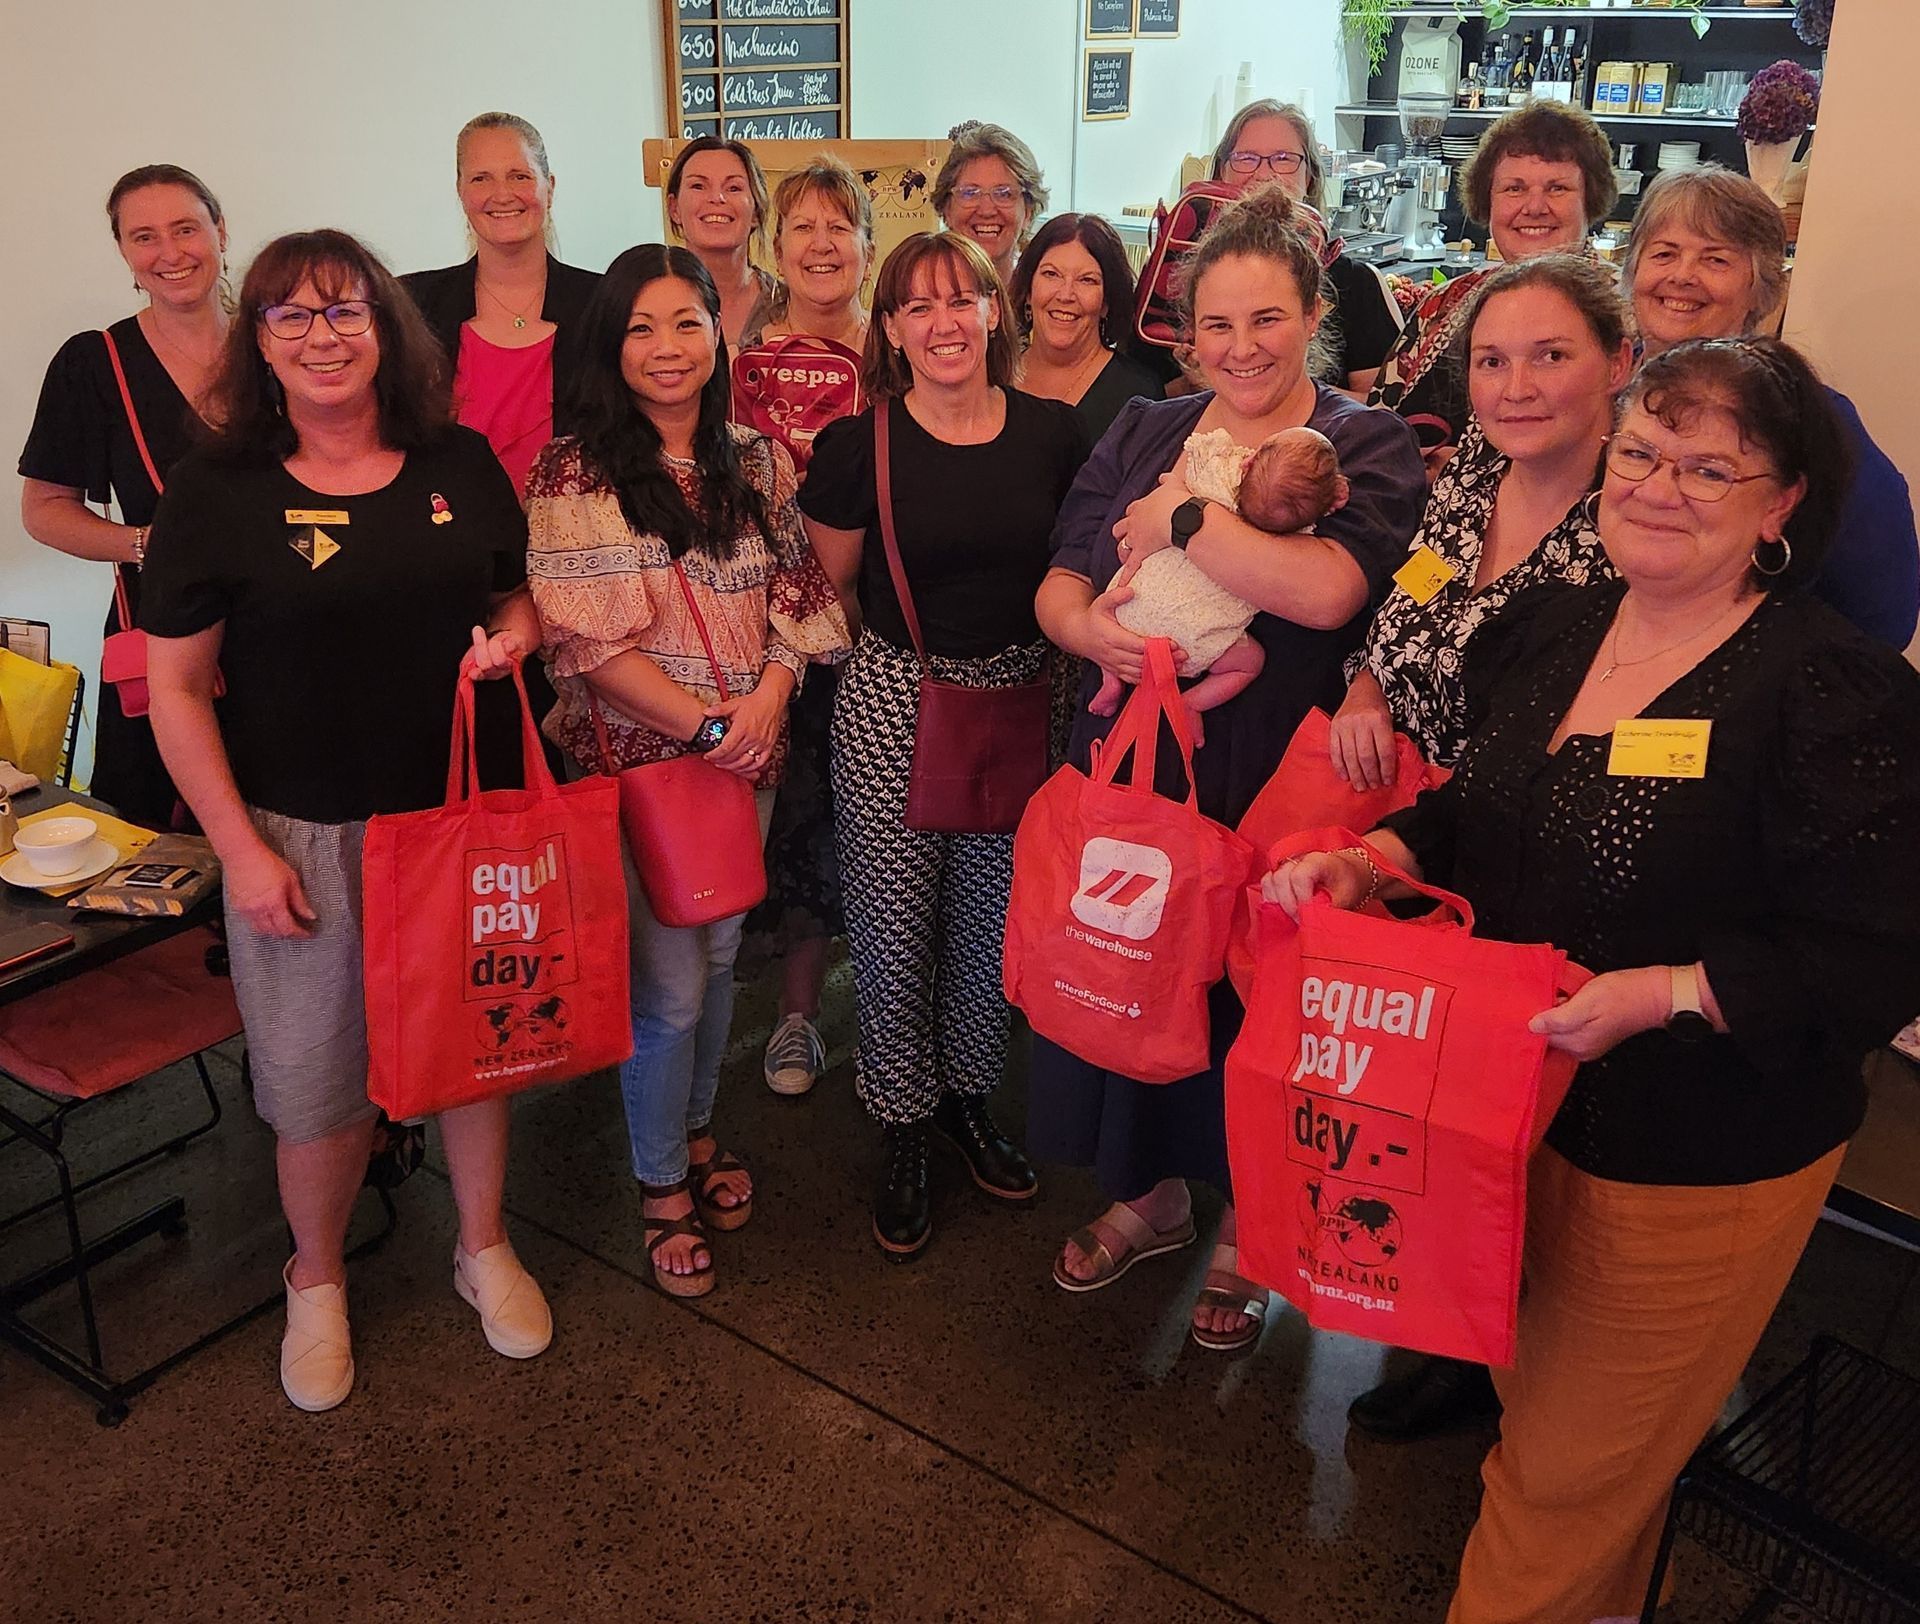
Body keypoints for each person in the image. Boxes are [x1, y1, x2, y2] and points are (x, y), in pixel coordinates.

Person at [1262, 337, 1920, 1622]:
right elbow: (1481, 807)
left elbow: (1869, 952)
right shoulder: (1553, 625)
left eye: (1709, 465)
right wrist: (1381, 857)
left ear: (1782, 504)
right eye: (1643, 452)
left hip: (1692, 1151)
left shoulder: (1827, 689)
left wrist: (1665, 993)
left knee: (1557, 1476)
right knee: (1576, 1432)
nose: (1659, 485)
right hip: (1511, 1113)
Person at [139, 230, 550, 1412]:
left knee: (479, 1050)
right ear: (258, 343)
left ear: (385, 329)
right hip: (301, 833)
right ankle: (313, 1277)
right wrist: (240, 851)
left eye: (345, 312)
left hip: (460, 819)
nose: (323, 336)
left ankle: (482, 1245)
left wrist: (514, 639)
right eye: (292, 317)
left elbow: (509, 592)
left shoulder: (459, 458)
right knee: (315, 1081)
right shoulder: (216, 490)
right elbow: (175, 690)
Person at [1031, 187, 1426, 1350]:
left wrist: (1188, 526)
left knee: (1258, 1003)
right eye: (1216, 324)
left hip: (1280, 781)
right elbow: (1062, 574)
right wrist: (1088, 631)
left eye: (1266, 319)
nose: (1240, 347)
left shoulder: (1361, 441)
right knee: (1134, 972)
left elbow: (1330, 591)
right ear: (1184, 332)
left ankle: (1253, 1226)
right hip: (1139, 761)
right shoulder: (1149, 428)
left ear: (1313, 314)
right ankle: (1147, 1194)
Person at [1326, 252, 1634, 1442]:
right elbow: (1410, 601)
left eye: (1551, 355)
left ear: (1617, 363)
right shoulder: (1470, 484)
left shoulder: (1641, 510)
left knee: (1540, 1127)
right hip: (1433, 829)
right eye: (1494, 359)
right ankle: (1457, 1339)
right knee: (1444, 1116)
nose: (1516, 385)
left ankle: (1539, 1392)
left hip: (1551, 858)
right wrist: (1363, 685)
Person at [525, 244, 849, 1298]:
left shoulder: (757, 461)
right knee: (667, 988)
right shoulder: (573, 471)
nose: (667, 349)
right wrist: (710, 730)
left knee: (718, 962)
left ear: (720, 332)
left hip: (746, 757)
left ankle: (697, 1129)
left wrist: (764, 700)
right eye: (640, 329)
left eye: (685, 323)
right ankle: (660, 1180)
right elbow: (585, 643)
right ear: (609, 347)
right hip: (647, 770)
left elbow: (803, 599)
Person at [800, 231, 1088, 1259]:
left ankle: (969, 1100)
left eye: (961, 298)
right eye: (917, 307)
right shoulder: (857, 446)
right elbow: (828, 587)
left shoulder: (1055, 436)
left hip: (1021, 699)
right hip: (895, 699)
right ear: (889, 330)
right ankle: (903, 1121)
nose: (944, 322)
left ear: (994, 310)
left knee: (988, 924)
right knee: (889, 930)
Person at [1624, 163, 1918, 648]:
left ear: (1760, 287)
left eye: (1715, 260)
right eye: (1664, 253)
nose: (1682, 276)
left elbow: (1884, 613)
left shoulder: (1808, 417)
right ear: (1633, 269)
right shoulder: (1603, 384)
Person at [19, 165, 232, 828]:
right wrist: (143, 544)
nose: (169, 252)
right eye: (144, 236)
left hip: (290, 630)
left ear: (221, 232)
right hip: (166, 638)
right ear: (124, 253)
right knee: (171, 839)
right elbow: (44, 510)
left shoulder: (279, 342)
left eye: (186, 228)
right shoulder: (94, 363)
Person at [735, 155, 875, 1099]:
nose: (822, 244)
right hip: (759, 629)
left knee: (849, 826)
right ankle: (776, 1012)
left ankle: (841, 1011)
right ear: (773, 246)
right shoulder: (740, 356)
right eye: (802, 228)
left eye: (840, 227)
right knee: (781, 823)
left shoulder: (900, 346)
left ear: (868, 245)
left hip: (870, 630)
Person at [1368, 100, 1618, 476]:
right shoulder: (1443, 303)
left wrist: (1468, 471)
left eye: (1557, 188)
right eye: (1514, 189)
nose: (1535, 206)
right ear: (1487, 200)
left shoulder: (1625, 313)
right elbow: (1380, 419)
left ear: (1591, 200)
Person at [1088, 426, 1352, 738]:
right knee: (1250, 662)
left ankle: (1110, 679)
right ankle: (1193, 702)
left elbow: (1188, 467)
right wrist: (1329, 498)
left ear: (1249, 462)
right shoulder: (1295, 536)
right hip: (1194, 645)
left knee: (1115, 612)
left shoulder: (1215, 481)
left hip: (1130, 611)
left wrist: (1172, 492)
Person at [401, 111, 602, 498]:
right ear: (460, 192)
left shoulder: (603, 303)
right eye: (481, 178)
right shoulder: (413, 305)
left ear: (550, 187)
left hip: (578, 543)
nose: (503, 194)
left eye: (520, 176)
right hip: (454, 541)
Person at [1210, 101, 1401, 394]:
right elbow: (1151, 393)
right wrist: (1195, 377)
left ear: (1309, 177)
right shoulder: (1183, 278)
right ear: (1221, 172)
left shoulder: (1357, 286)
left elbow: (1384, 408)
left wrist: (1284, 389)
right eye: (1246, 158)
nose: (1263, 174)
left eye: (1283, 159)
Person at [1007, 212, 1164, 444]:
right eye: (1051, 274)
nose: (1066, 294)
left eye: (1087, 280)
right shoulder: (993, 375)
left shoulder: (1138, 396)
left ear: (1106, 302)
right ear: (1029, 291)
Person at [664, 136, 776, 349]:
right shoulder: (647, 302)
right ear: (674, 208)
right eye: (698, 186)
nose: (717, 197)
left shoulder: (788, 306)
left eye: (733, 188)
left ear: (757, 212)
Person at [931, 122, 1047, 292]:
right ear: (946, 208)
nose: (986, 210)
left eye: (1004, 193)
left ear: (1028, 212)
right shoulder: (916, 300)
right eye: (970, 193)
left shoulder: (1045, 307)